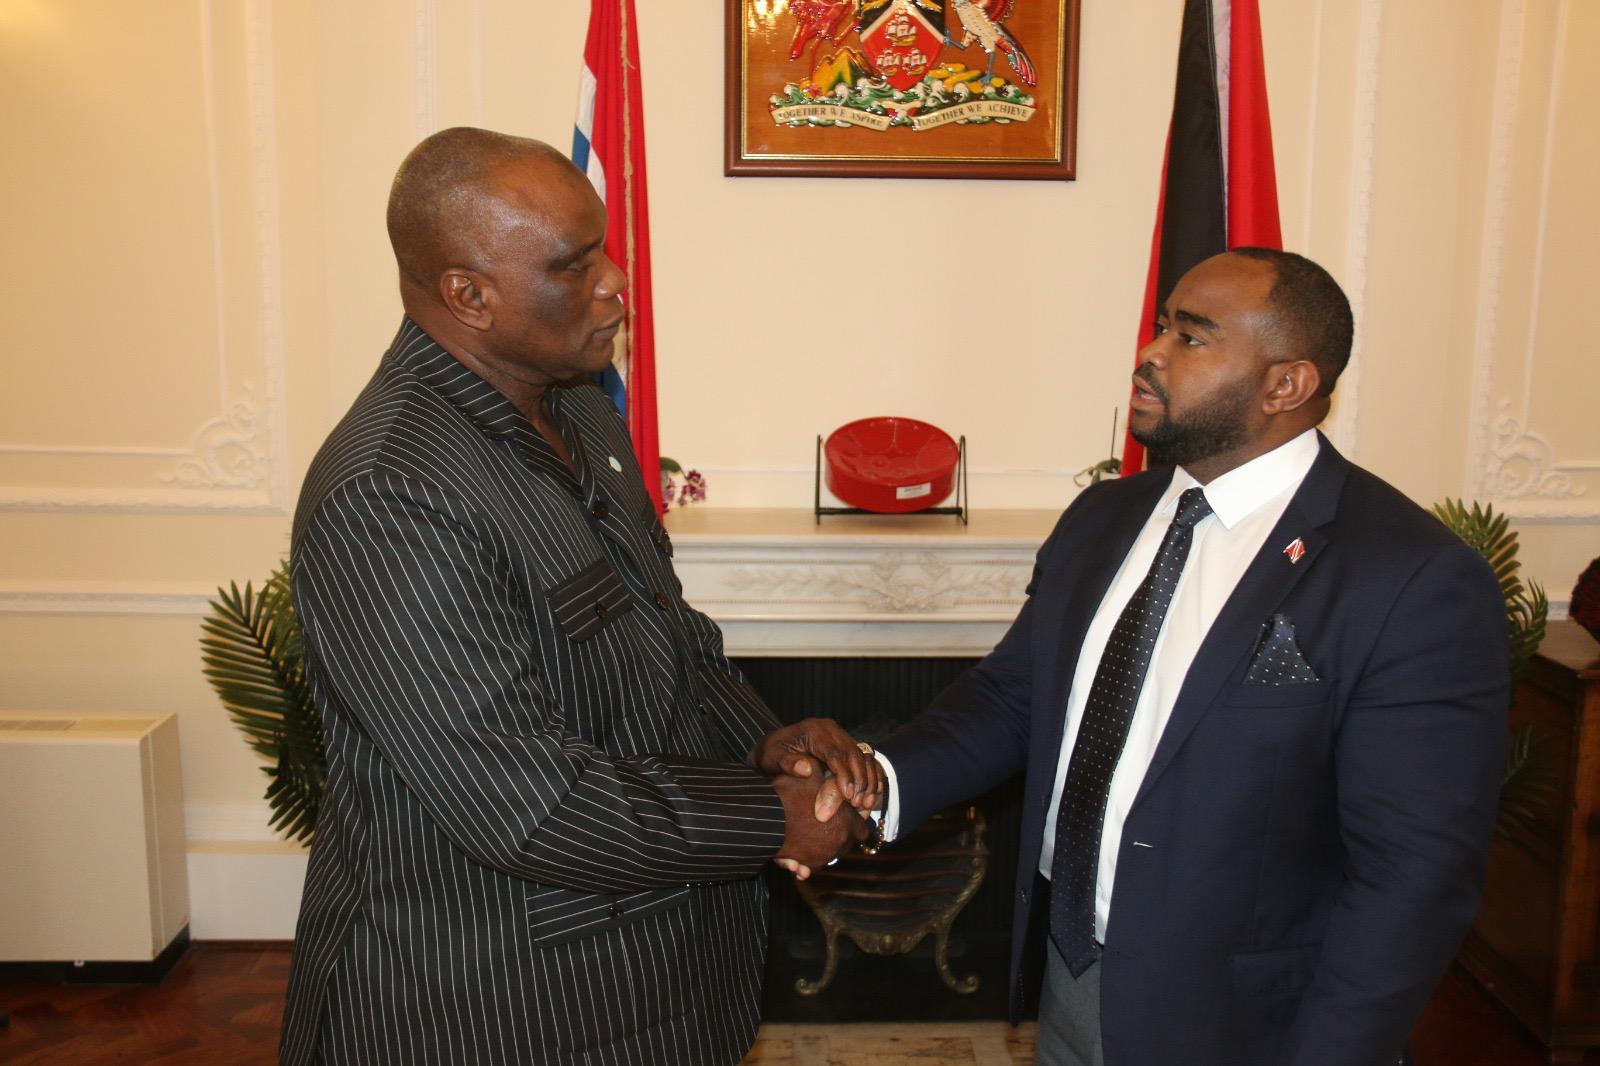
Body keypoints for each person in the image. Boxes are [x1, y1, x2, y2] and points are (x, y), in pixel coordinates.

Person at [278, 127, 880, 1066]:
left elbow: (669, 638)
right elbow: (525, 801)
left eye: (603, 249)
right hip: (500, 1004)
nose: (614, 282)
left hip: (665, 976)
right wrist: (773, 815)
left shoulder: (584, 409)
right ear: (468, 296)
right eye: (574, 264)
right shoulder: (392, 493)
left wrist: (768, 744)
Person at [854, 249, 1508, 1064]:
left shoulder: (1410, 575)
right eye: (1163, 324)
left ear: (1286, 384)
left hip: (1248, 1026)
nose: (1151, 352)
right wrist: (873, 784)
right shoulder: (1102, 516)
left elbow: (1413, 878)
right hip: (1069, 976)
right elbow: (1013, 699)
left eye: (1191, 337)